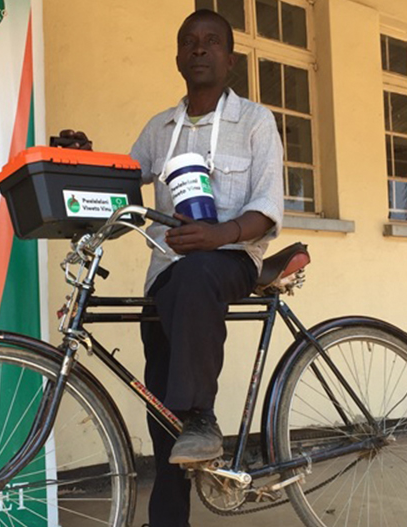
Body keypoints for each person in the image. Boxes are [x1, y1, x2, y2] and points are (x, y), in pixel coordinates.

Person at [61, 9, 283, 527]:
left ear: (230, 58)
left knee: (196, 275)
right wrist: (82, 160)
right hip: (165, 277)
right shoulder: (159, 129)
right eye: (189, 42)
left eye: (211, 42)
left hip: (230, 262)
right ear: (178, 57)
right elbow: (122, 188)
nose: (200, 49)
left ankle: (202, 418)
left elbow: (269, 206)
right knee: (161, 403)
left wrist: (221, 234)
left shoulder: (255, 121)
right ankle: (170, 510)